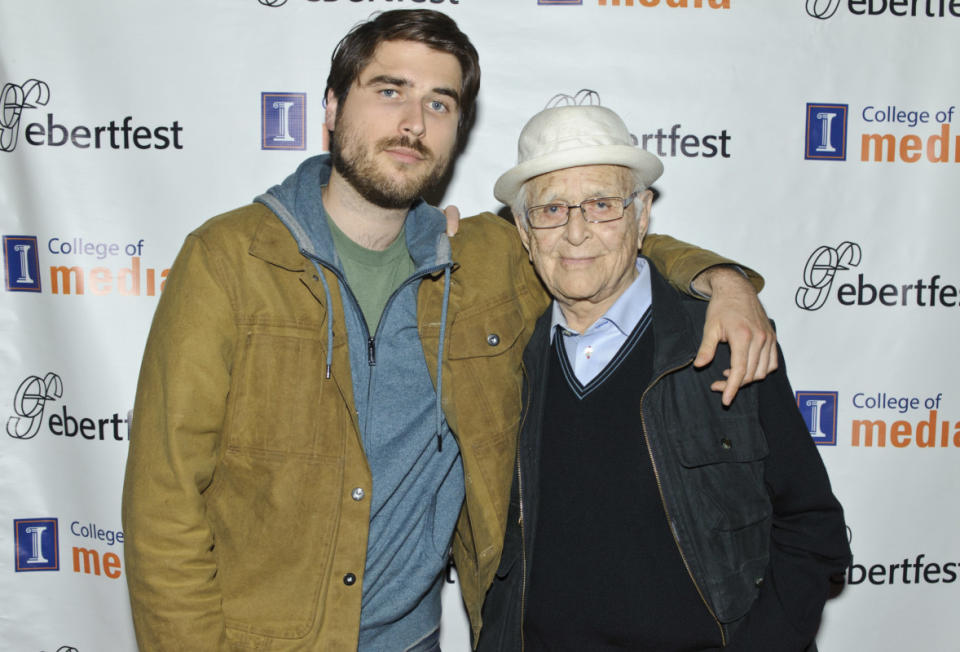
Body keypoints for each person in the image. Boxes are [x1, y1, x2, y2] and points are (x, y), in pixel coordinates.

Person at [121, 10, 778, 651]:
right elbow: (163, 506)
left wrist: (722, 281)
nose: (413, 123)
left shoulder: (485, 259)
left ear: (459, 130)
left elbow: (600, 241)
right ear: (330, 107)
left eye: (440, 103)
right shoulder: (228, 260)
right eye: (389, 91)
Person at [477, 97, 851, 652]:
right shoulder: (501, 359)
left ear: (642, 214)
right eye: (552, 210)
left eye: (601, 204)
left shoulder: (723, 340)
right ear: (526, 233)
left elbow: (810, 527)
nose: (576, 232)